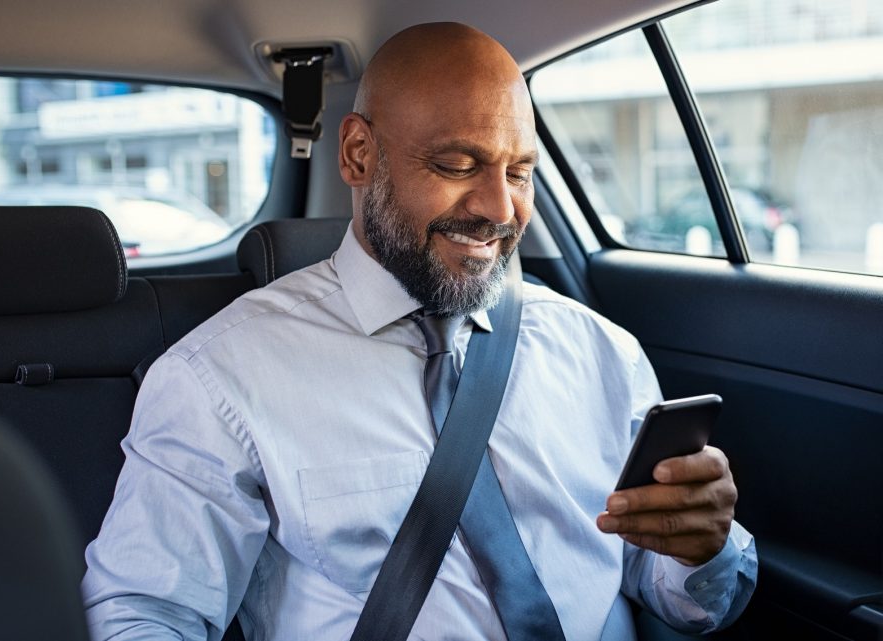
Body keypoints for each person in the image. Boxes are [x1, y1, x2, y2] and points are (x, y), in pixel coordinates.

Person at [82, 22, 757, 641]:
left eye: (518, 171)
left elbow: (683, 599)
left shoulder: (602, 353)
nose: (499, 209)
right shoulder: (221, 375)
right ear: (357, 155)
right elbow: (144, 614)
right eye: (457, 165)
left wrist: (700, 547)